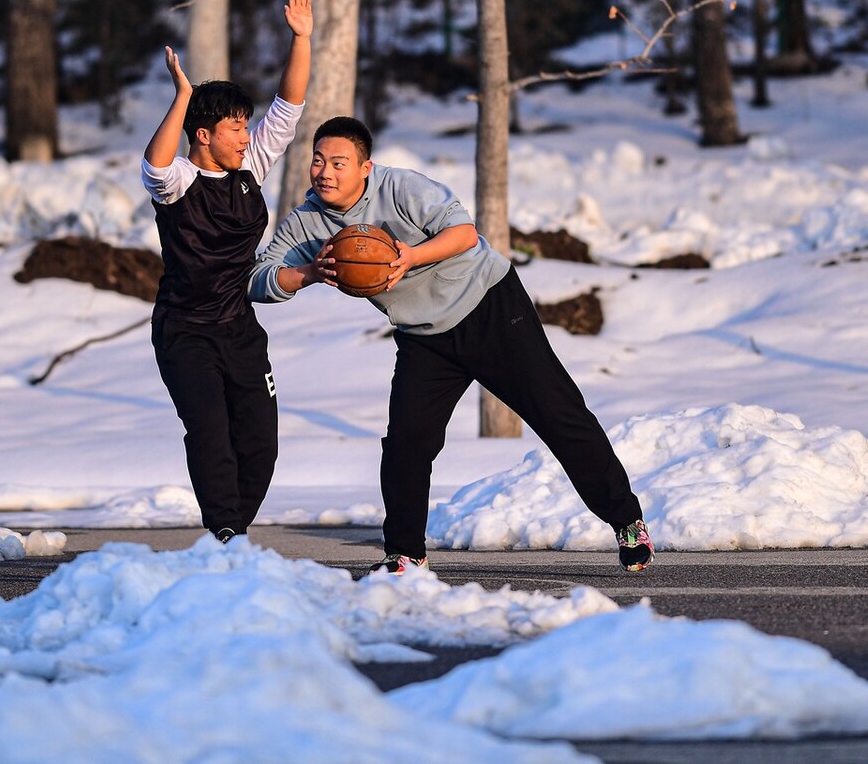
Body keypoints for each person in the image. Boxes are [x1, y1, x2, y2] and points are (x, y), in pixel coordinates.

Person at [249, 116, 654, 573]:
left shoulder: (402, 187)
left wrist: (411, 256)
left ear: (366, 167)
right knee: (406, 442)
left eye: (339, 162)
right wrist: (308, 274)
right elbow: (259, 279)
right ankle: (405, 553)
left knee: (559, 415)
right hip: (424, 337)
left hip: (490, 307)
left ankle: (627, 521)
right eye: (318, 161)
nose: (325, 171)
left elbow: (463, 233)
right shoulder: (307, 222)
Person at [141, 0, 313, 544]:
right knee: (210, 434)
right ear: (203, 135)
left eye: (246, 125)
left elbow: (288, 110)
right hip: (185, 331)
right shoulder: (180, 183)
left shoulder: (249, 170)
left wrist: (302, 41)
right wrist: (183, 96)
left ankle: (232, 531)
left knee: (259, 442)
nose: (247, 135)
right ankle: (224, 535)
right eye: (235, 127)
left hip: (239, 329)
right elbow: (155, 163)